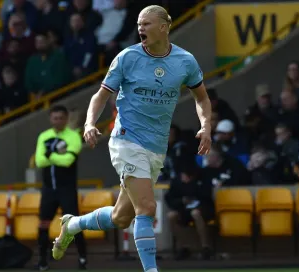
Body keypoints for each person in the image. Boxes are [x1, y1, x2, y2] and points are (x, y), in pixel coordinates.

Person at [51, 5, 212, 272]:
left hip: (156, 147)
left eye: (146, 24)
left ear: (164, 27)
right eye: (139, 24)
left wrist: (206, 127)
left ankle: (73, 224)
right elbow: (100, 95)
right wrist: (90, 122)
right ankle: (151, 270)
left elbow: (202, 98)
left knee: (121, 217)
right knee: (147, 207)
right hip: (126, 140)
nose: (140, 28)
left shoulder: (185, 61)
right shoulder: (127, 57)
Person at [34, 105, 87, 270]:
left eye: (61, 118)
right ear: (51, 119)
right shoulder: (44, 136)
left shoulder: (73, 137)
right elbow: (39, 161)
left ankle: (83, 259)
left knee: (74, 224)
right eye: (55, 118)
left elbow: (68, 161)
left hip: (67, 189)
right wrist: (56, 156)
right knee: (43, 224)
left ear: (66, 119)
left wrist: (49, 155)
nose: (58, 121)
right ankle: (42, 261)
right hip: (48, 189)